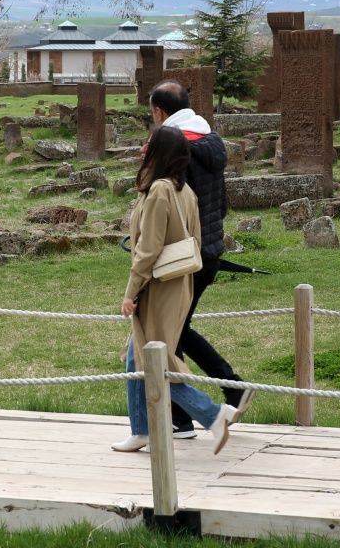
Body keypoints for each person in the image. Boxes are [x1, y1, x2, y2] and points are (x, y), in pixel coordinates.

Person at [113, 126, 237, 455]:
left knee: (154, 362)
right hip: (178, 282)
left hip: (159, 287)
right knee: (137, 357)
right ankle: (141, 430)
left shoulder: (159, 191)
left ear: (161, 152)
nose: (142, 149)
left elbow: (148, 250)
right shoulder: (185, 191)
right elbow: (195, 240)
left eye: (148, 144)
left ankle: (212, 415)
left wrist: (131, 291)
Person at [148, 80, 253, 438]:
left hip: (181, 256)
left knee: (167, 334)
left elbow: (169, 205)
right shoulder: (211, 140)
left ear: (160, 112)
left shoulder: (175, 147)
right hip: (209, 250)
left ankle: (223, 393)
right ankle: (189, 413)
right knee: (176, 331)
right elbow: (219, 203)